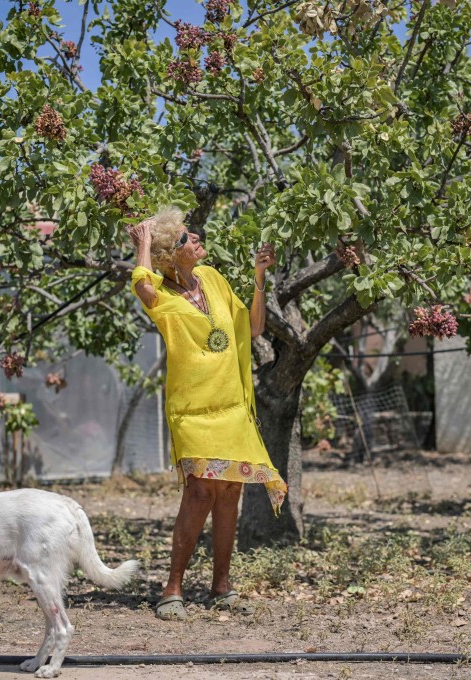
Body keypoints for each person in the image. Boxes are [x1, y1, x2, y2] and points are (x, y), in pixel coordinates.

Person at [127, 206, 287, 621]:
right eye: (185, 238)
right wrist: (144, 244)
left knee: (232, 491)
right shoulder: (160, 293)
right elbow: (142, 287)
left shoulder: (213, 278)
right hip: (193, 410)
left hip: (231, 404)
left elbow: (251, 329)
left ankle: (221, 586)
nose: (195, 237)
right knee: (199, 492)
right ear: (169, 255)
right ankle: (172, 588)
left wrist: (258, 278)